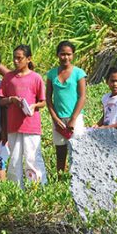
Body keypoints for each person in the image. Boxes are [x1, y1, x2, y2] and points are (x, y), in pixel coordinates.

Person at [0, 45, 47, 186]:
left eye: (19, 58)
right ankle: (16, 190)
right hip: (13, 125)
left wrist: (34, 106)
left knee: (32, 158)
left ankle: (37, 188)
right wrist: (11, 99)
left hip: (31, 125)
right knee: (14, 159)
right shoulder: (8, 77)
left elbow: (42, 102)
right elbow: (1, 100)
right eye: (14, 57)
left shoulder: (36, 78)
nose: (15, 61)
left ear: (28, 59)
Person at [45, 41, 87, 173]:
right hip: (58, 118)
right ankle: (60, 181)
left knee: (77, 151)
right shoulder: (52, 74)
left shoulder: (78, 73)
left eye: (69, 54)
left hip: (75, 118)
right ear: (58, 55)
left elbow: (82, 97)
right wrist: (55, 117)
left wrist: (73, 119)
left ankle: (78, 180)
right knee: (60, 151)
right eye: (62, 54)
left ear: (73, 55)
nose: (66, 57)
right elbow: (48, 98)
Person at [94, 67, 117, 172]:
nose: (115, 84)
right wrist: (98, 125)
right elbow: (105, 115)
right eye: (112, 81)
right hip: (106, 140)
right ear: (107, 82)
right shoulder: (105, 98)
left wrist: (106, 128)